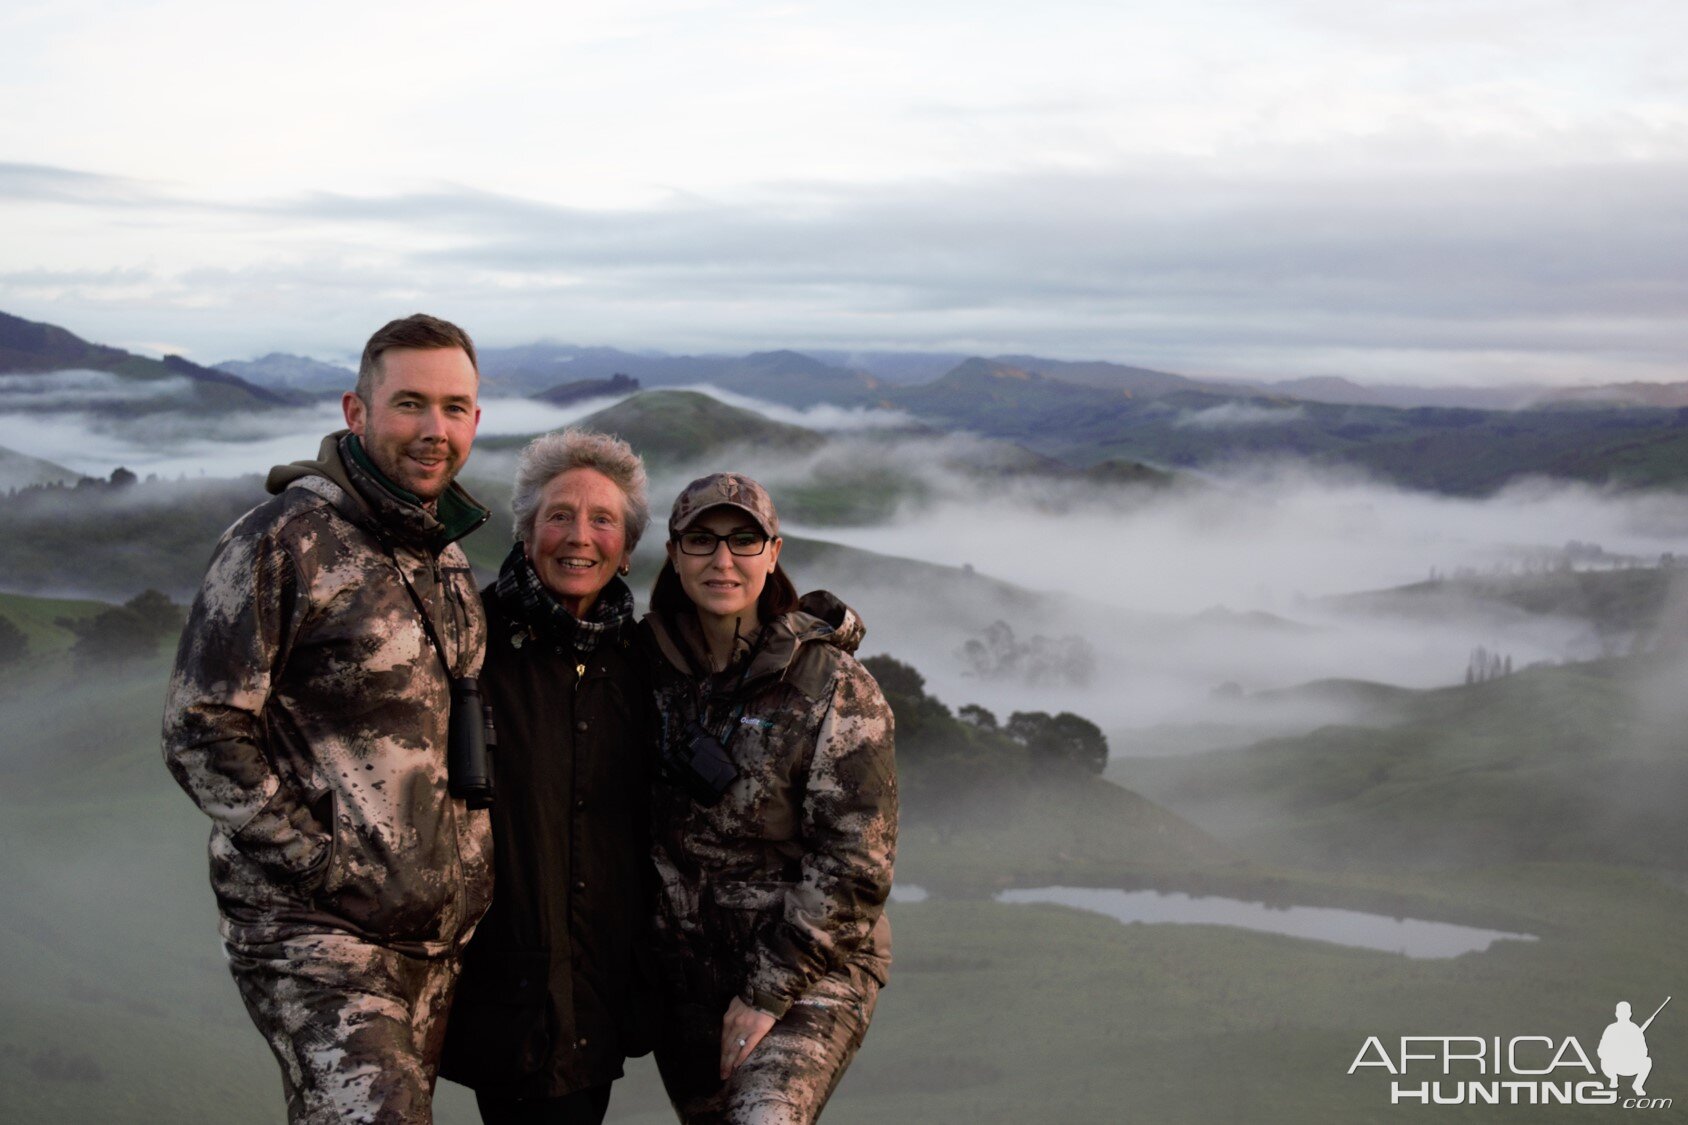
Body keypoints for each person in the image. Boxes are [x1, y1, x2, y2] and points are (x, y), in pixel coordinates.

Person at [162, 313, 492, 1125]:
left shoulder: (444, 556)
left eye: (454, 408)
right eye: (410, 403)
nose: (434, 429)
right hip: (316, 933)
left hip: (430, 940)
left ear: (476, 421)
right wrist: (318, 865)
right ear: (356, 410)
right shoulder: (282, 540)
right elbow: (200, 725)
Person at [641, 472, 897, 1124]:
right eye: (701, 540)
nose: (722, 560)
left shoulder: (833, 683)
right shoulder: (640, 669)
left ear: (773, 552)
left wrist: (766, 991)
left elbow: (856, 868)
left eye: (743, 540)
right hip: (689, 981)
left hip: (809, 966)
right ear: (673, 555)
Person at [440, 429, 657, 1124]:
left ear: (627, 548)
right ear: (526, 530)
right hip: (506, 997)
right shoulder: (466, 640)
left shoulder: (644, 661)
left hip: (603, 994)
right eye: (559, 515)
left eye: (603, 520)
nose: (579, 537)